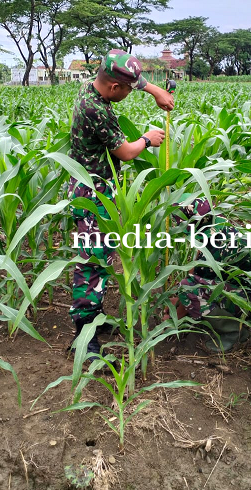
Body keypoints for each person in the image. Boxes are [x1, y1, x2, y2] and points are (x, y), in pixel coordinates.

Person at [68, 49, 174, 357]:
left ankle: (95, 320)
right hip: (92, 193)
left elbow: (133, 80)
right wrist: (147, 139)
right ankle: (84, 336)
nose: (130, 92)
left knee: (102, 256)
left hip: (98, 187)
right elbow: (126, 152)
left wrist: (154, 90)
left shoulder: (92, 84)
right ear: (114, 88)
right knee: (93, 261)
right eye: (127, 89)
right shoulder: (95, 110)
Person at [166, 197, 251, 353]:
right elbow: (195, 270)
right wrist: (179, 300)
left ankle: (235, 332)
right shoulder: (217, 224)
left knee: (188, 289)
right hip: (246, 290)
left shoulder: (216, 242)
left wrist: (172, 320)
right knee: (187, 289)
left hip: (250, 300)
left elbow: (193, 286)